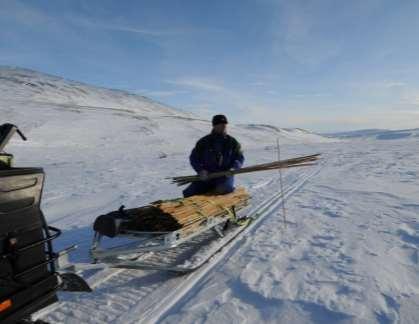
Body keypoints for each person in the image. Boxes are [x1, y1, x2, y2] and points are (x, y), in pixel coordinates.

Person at [183, 114, 244, 197]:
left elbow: (240, 158)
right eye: (220, 124)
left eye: (225, 124)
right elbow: (194, 158)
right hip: (207, 176)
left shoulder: (232, 142)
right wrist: (200, 170)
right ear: (214, 125)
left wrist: (234, 168)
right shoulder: (204, 142)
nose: (224, 125)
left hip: (225, 176)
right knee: (189, 192)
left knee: (222, 189)